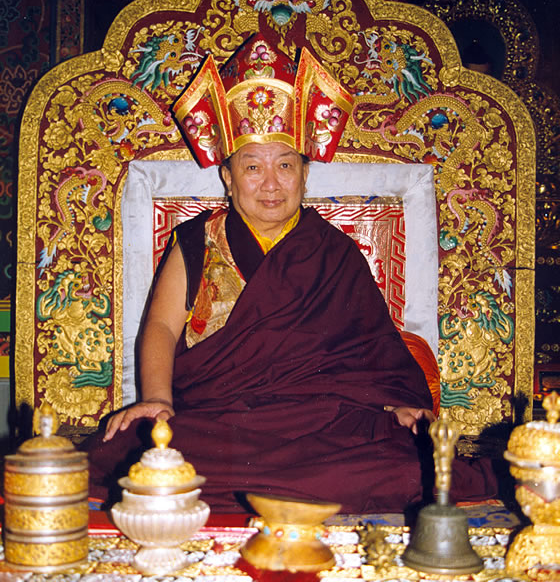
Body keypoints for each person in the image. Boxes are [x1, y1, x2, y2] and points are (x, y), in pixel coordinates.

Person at [87, 34, 496, 512]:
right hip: (221, 420)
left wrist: (394, 402)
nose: (271, 184)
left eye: (285, 165)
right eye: (252, 167)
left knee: (410, 466)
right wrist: (159, 401)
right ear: (228, 177)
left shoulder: (334, 252)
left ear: (304, 174)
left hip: (322, 422)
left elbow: (372, 348)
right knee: (128, 452)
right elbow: (160, 326)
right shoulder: (198, 241)